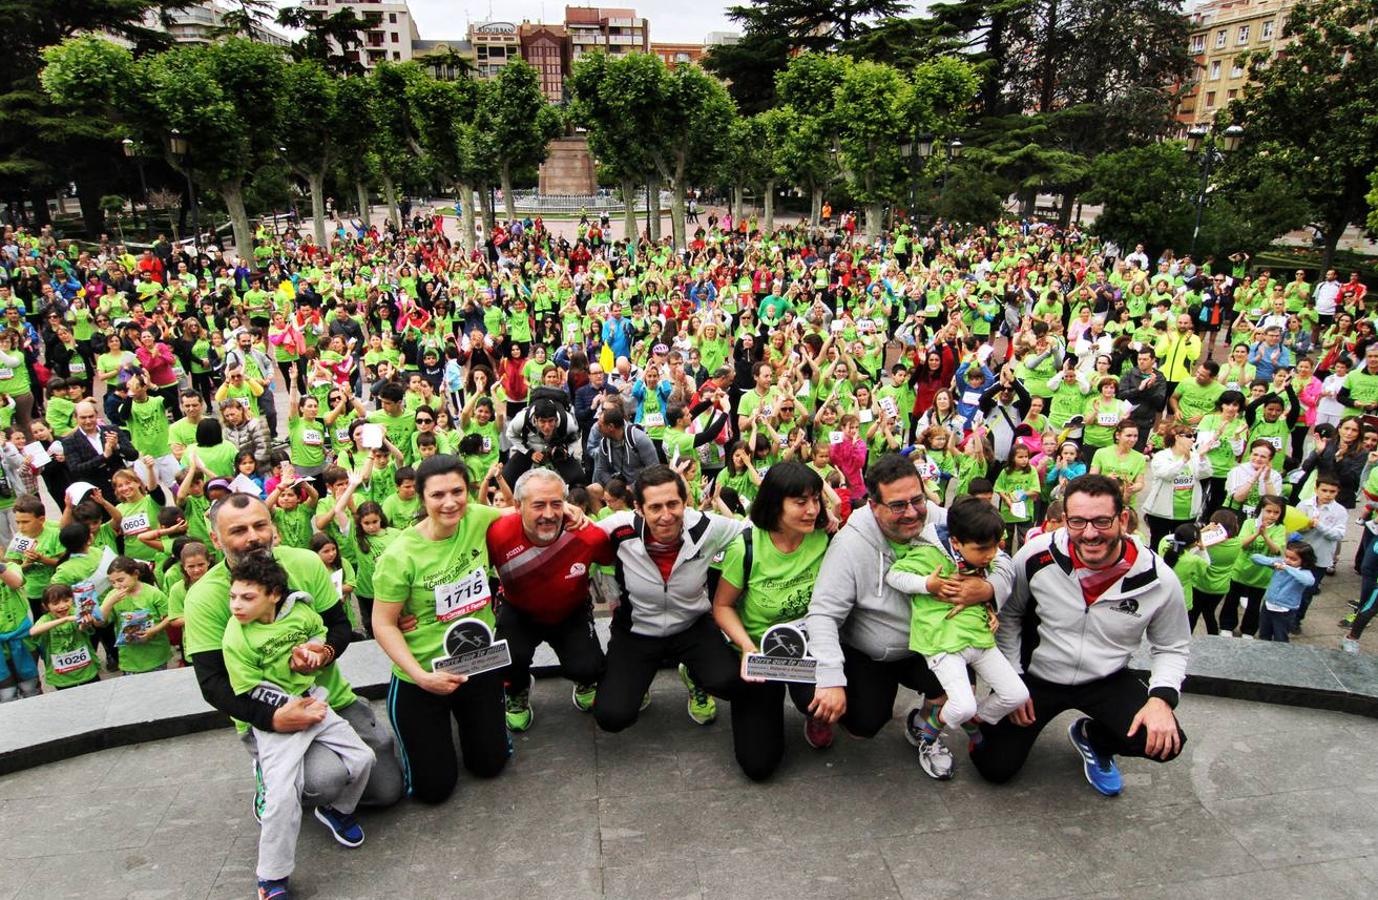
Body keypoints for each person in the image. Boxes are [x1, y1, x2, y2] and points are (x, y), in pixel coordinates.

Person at [181, 493, 402, 819]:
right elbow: (213, 683)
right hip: (264, 708)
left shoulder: (305, 562)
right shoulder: (204, 597)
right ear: (216, 539)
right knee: (327, 780)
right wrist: (270, 717)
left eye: (260, 525)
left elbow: (338, 626)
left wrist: (324, 653)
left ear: (273, 528)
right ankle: (271, 775)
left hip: (328, 699)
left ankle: (319, 765)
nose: (253, 536)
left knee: (387, 792)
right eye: (239, 531)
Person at [969, 474, 1190, 795]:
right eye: (1077, 521)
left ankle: (1093, 737)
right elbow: (1010, 617)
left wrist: (1161, 698)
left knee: (1165, 743)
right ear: (1064, 520)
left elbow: (1173, 646)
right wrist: (1012, 683)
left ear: (1123, 519)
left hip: (1106, 678)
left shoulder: (1159, 578)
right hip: (1036, 677)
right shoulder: (1036, 555)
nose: (1089, 533)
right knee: (993, 766)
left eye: (1101, 521)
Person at [807, 454, 1008, 780]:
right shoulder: (850, 545)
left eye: (917, 500)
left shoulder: (945, 521)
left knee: (960, 691)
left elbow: (1002, 561)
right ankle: (823, 712)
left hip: (934, 642)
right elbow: (823, 613)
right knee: (862, 726)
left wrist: (987, 590)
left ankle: (925, 726)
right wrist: (830, 678)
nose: (913, 512)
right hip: (875, 651)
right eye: (898, 505)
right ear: (874, 506)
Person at [223, 551, 375, 900]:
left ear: (274, 595)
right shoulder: (236, 636)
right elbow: (248, 689)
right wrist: (289, 709)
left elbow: (320, 635)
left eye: (247, 597)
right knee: (282, 798)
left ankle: (337, 811)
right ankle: (271, 878)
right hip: (276, 718)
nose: (237, 605)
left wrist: (313, 653)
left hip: (314, 698)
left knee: (363, 758)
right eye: (233, 596)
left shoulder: (301, 610)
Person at [370, 454, 509, 803]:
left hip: (477, 660)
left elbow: (525, 516)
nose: (450, 503)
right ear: (421, 498)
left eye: (457, 491)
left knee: (491, 765)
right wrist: (420, 676)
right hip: (423, 673)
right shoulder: (399, 556)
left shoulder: (476, 517)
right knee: (433, 790)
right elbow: (383, 624)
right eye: (437, 495)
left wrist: (570, 512)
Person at [885, 497, 1030, 777]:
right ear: (956, 541)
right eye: (983, 549)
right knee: (961, 704)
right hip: (941, 643)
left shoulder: (981, 556)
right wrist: (927, 584)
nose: (992, 554)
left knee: (1016, 694)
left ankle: (966, 721)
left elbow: (998, 577)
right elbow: (895, 575)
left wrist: (989, 604)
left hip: (979, 638)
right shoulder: (928, 554)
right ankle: (929, 735)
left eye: (996, 545)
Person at [594, 463, 744, 733]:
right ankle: (638, 683)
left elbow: (754, 529)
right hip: (637, 630)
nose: (666, 516)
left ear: (685, 501)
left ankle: (694, 675)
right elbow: (577, 534)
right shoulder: (620, 527)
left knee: (730, 683)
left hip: (692, 625)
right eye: (655, 507)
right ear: (638, 508)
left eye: (673, 504)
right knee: (611, 716)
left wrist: (822, 521)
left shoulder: (706, 526)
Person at [712, 461, 830, 781]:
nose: (811, 510)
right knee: (759, 765)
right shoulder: (746, 545)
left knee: (823, 703)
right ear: (775, 503)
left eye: (816, 500)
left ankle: (813, 714)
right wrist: (748, 648)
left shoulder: (823, 538)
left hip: (810, 647)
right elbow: (722, 607)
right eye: (800, 501)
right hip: (761, 653)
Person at [489, 469, 612, 731]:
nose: (548, 514)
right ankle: (517, 690)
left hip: (571, 611)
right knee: (505, 663)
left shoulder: (588, 534)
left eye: (556, 504)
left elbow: (616, 561)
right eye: (538, 505)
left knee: (590, 668)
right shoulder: (496, 533)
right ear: (517, 506)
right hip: (518, 609)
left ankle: (584, 681)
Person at [60, 399, 139, 500]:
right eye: (83, 418)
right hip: (98, 494)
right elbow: (76, 470)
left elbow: (134, 455)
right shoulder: (70, 441)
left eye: (91, 416)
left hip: (123, 489)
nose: (88, 421)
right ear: (76, 418)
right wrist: (103, 457)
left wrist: (117, 447)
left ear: (96, 415)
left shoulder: (112, 430)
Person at [1249, 541, 1316, 643]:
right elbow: (1255, 557)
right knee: (1263, 635)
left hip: (1285, 612)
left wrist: (1286, 568)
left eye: (1293, 559)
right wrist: (1273, 562)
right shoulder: (1280, 563)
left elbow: (1309, 581)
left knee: (1280, 638)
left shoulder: (1303, 572)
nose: (1288, 560)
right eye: (1286, 556)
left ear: (1305, 560)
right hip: (1267, 606)